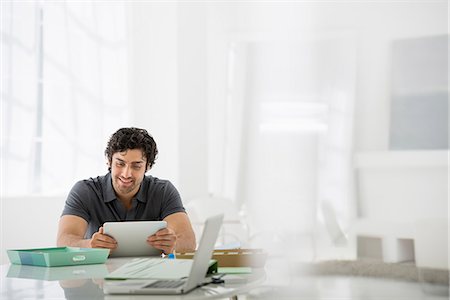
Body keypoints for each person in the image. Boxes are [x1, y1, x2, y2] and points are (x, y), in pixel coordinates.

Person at [57, 127, 196, 255]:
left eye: (136, 166)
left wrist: (173, 245)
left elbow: (189, 242)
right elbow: (63, 242)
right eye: (120, 164)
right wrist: (89, 245)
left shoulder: (163, 191)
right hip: (98, 275)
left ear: (147, 167)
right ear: (109, 161)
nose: (126, 174)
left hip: (148, 274)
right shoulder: (85, 190)